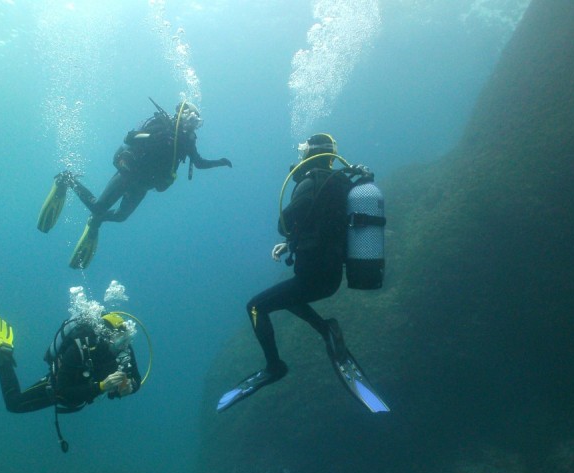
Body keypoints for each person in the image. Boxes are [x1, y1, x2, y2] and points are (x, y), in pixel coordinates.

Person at [216, 133, 389, 413]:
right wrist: (290, 245)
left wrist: (287, 235)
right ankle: (326, 329)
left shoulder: (309, 183)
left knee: (256, 307)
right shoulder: (342, 183)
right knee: (290, 297)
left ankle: (275, 367)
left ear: (309, 154)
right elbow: (327, 226)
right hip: (329, 276)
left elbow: (284, 222)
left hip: (313, 278)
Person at [37, 100, 233, 269]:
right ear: (182, 114)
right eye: (191, 118)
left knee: (121, 216)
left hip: (145, 184)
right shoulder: (161, 125)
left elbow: (198, 162)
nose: (193, 124)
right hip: (130, 173)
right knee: (98, 206)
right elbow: (129, 138)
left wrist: (220, 162)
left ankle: (96, 221)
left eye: (196, 122)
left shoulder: (188, 141)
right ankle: (67, 179)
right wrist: (148, 138)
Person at [0, 313, 142, 451]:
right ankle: (4, 352)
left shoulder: (123, 348)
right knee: (14, 403)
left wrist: (130, 387)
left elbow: (137, 379)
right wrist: (100, 387)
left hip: (84, 394)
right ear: (106, 336)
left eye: (126, 339)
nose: (124, 345)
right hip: (62, 386)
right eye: (121, 340)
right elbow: (63, 390)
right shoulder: (80, 347)